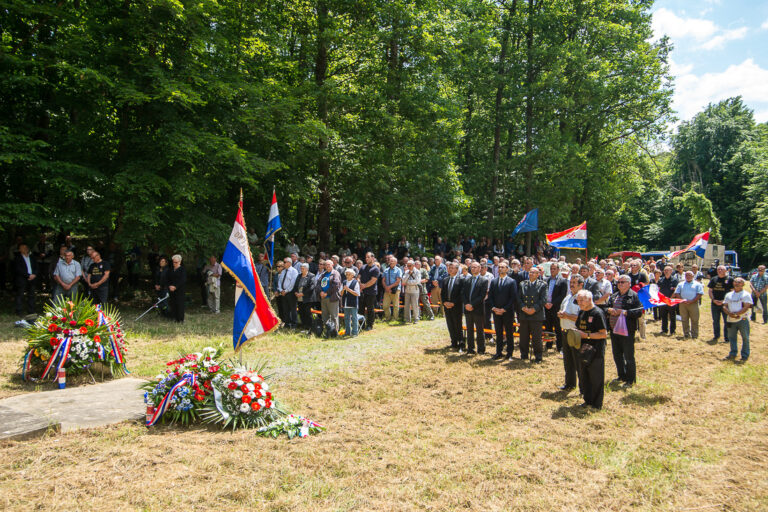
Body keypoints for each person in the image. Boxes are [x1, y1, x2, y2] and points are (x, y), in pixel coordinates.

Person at [606, 275, 645, 387]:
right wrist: (609, 310)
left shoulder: (633, 296)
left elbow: (638, 312)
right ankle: (621, 375)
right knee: (617, 354)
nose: (620, 284)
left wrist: (623, 312)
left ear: (629, 284)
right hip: (614, 329)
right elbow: (606, 307)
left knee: (628, 355)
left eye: (623, 282)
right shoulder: (614, 296)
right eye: (618, 282)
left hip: (627, 330)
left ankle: (630, 379)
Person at [574, 290, 608, 409]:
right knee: (584, 376)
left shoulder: (597, 313)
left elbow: (603, 334)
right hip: (582, 349)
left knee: (596, 377)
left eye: (582, 300)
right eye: (578, 300)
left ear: (589, 299)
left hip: (596, 350)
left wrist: (586, 336)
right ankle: (587, 401)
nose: (579, 303)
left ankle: (596, 404)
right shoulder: (582, 312)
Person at [558, 275, 584, 392]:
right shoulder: (568, 297)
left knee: (578, 361)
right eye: (571, 282)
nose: (571, 284)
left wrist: (567, 316)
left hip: (575, 333)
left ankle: (583, 387)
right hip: (565, 331)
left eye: (574, 282)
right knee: (568, 360)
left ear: (581, 285)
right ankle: (570, 383)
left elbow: (581, 318)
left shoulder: (583, 299)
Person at [488, 261, 518, 360]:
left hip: (507, 312)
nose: (500, 269)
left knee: (509, 333)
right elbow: (490, 296)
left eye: (503, 267)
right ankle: (498, 352)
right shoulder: (494, 281)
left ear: (507, 269)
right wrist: (494, 308)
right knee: (498, 332)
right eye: (499, 267)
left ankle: (509, 353)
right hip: (496, 311)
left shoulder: (511, 281)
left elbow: (513, 297)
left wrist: (504, 309)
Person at [518, 267, 547, 363]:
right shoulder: (522, 284)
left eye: (534, 273)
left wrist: (534, 309)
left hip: (536, 315)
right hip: (524, 313)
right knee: (523, 337)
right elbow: (518, 298)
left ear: (538, 274)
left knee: (536, 338)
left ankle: (538, 356)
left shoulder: (542, 285)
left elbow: (543, 300)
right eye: (530, 272)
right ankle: (524, 355)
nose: (531, 274)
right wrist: (524, 308)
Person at [462, 261, 489, 355]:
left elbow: (482, 296)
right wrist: (466, 304)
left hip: (478, 309)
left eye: (475, 267)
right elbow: (464, 293)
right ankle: (470, 348)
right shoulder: (467, 280)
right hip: (467, 309)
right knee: (469, 329)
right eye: (472, 267)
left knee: (479, 330)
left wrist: (472, 305)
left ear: (480, 268)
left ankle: (481, 349)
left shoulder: (484, 280)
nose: (473, 269)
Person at [723, 277, 752, 362]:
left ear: (743, 284)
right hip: (731, 319)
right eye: (735, 282)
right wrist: (729, 314)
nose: (737, 283)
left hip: (742, 319)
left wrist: (737, 314)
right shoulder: (729, 295)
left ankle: (745, 355)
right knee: (731, 337)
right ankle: (733, 353)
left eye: (739, 282)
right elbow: (724, 306)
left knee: (745, 337)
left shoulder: (746, 294)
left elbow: (747, 306)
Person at [673, 271, 704, 339]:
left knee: (695, 319)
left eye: (690, 275)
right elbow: (677, 293)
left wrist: (692, 301)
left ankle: (694, 335)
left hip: (693, 303)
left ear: (693, 276)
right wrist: (683, 300)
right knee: (684, 319)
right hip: (683, 304)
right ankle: (686, 334)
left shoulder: (697, 284)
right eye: (687, 275)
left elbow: (700, 294)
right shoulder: (680, 284)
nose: (688, 276)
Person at [544, 265, 568, 352]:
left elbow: (562, 295)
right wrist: (545, 303)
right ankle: (548, 344)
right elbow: (543, 293)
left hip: (556, 307)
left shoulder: (563, 281)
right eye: (551, 269)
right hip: (546, 307)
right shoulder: (546, 280)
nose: (552, 270)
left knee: (558, 327)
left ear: (558, 270)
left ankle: (560, 346)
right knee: (548, 326)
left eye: (554, 269)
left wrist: (553, 303)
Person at [442, 261, 464, 350]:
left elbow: (461, 294)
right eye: (449, 268)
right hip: (447, 306)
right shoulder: (445, 280)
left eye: (452, 268)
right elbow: (443, 293)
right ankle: (453, 342)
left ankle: (461, 342)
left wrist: (453, 303)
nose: (450, 269)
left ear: (457, 269)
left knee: (457, 325)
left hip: (457, 306)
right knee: (450, 324)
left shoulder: (461, 280)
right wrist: (445, 302)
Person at [708, 265, 733, 343]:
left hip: (725, 304)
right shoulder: (714, 279)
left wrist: (724, 301)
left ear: (726, 271)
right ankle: (716, 335)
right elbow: (710, 291)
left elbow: (732, 292)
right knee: (715, 320)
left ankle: (727, 337)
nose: (720, 270)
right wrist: (713, 299)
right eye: (718, 269)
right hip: (715, 303)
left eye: (722, 269)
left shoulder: (730, 279)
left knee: (727, 321)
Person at [14, 243, 37, 317]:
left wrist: (34, 274)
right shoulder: (17, 258)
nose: (25, 249)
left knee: (31, 295)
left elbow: (36, 267)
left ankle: (31, 311)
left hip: (32, 278)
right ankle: (19, 311)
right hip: (22, 279)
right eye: (22, 248)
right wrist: (28, 275)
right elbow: (18, 269)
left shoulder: (32, 257)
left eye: (25, 247)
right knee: (20, 295)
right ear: (19, 249)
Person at [358, 252, 380, 331]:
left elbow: (373, 281)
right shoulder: (363, 267)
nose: (366, 258)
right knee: (361, 309)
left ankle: (370, 325)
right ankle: (361, 325)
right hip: (362, 291)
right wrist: (359, 284)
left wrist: (364, 286)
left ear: (373, 258)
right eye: (366, 257)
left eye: (368, 257)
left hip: (371, 292)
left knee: (370, 309)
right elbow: (358, 277)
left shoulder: (376, 269)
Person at [319, 260, 341, 332]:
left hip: (332, 298)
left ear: (332, 265)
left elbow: (336, 285)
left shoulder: (335, 273)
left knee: (334, 316)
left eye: (329, 264)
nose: (327, 266)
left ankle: (335, 332)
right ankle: (327, 331)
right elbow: (318, 284)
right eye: (326, 265)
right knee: (325, 316)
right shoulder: (323, 274)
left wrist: (327, 293)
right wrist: (320, 292)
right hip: (323, 298)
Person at [277, 257, 299, 327]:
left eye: (285, 262)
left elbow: (292, 283)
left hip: (291, 293)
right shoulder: (283, 271)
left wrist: (286, 291)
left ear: (289, 263)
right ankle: (287, 323)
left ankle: (294, 324)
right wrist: (280, 290)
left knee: (293, 309)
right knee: (285, 309)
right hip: (283, 293)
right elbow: (279, 281)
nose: (283, 263)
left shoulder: (294, 271)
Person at [657, 265, 679, 336]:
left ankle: (672, 331)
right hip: (663, 301)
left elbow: (676, 290)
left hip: (671, 300)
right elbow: (658, 289)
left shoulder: (675, 280)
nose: (666, 272)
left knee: (672, 316)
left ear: (671, 271)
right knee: (664, 316)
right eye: (665, 270)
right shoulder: (661, 280)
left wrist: (670, 298)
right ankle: (664, 330)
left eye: (668, 270)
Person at [295, 263, 316, 330]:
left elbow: (312, 287)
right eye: (301, 268)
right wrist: (296, 292)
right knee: (301, 312)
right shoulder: (299, 276)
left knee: (307, 312)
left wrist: (303, 294)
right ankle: (304, 326)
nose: (301, 269)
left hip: (307, 298)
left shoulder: (311, 276)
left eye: (303, 268)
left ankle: (310, 327)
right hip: (299, 297)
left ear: (307, 269)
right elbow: (296, 285)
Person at [340, 268, 361, 336]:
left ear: (352, 275)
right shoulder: (344, 282)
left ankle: (355, 332)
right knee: (346, 318)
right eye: (346, 274)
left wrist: (348, 289)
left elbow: (357, 293)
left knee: (354, 318)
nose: (347, 276)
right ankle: (347, 332)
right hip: (345, 303)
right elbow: (341, 294)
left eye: (349, 274)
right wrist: (343, 289)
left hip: (353, 303)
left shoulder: (355, 282)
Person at [382, 256, 402, 321]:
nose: (391, 262)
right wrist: (386, 288)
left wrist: (389, 287)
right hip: (387, 290)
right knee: (385, 306)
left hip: (395, 290)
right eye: (390, 261)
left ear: (396, 262)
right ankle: (388, 318)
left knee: (395, 305)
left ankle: (395, 318)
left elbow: (398, 281)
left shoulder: (398, 270)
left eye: (392, 261)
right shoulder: (386, 270)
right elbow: (383, 280)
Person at [168, 254, 186, 323]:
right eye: (173, 262)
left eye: (176, 262)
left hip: (180, 290)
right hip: (172, 289)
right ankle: (175, 318)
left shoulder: (182, 269)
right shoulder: (171, 270)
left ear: (180, 262)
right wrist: (170, 286)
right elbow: (168, 279)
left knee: (180, 304)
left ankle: (181, 319)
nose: (174, 264)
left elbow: (183, 280)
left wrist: (175, 286)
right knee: (173, 303)